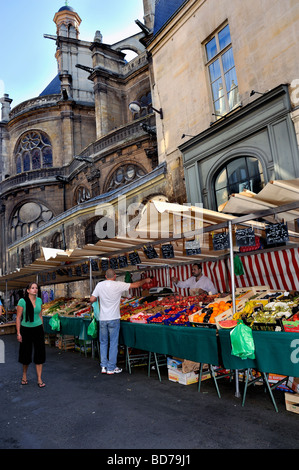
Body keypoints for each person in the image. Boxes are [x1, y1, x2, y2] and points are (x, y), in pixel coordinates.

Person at [90, 269, 152, 375]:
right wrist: (145, 280)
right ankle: (111, 368)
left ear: (105, 276)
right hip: (114, 318)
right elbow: (136, 285)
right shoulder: (118, 285)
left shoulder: (100, 285)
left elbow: (92, 299)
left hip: (103, 319)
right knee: (113, 343)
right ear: (114, 276)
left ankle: (104, 367)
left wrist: (98, 301)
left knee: (103, 342)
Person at [16, 282, 46, 388]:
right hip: (26, 330)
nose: (35, 289)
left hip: (37, 329)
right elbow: (18, 318)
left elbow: (40, 315)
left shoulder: (39, 300)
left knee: (39, 354)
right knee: (26, 354)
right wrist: (18, 333)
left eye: (36, 288)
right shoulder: (22, 301)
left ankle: (39, 379)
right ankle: (24, 376)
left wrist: (42, 329)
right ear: (28, 290)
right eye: (32, 288)